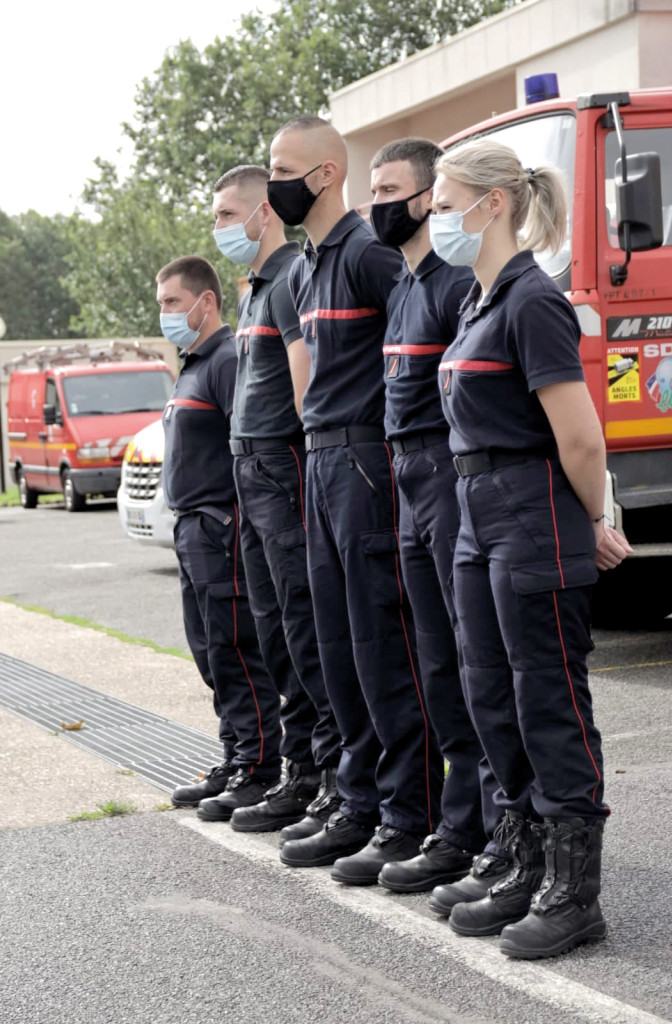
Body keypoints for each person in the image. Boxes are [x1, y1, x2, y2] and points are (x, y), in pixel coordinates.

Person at [430, 139, 631, 958]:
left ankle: (574, 893)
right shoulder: (477, 303)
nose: (435, 218)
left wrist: (594, 519)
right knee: (489, 693)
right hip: (476, 511)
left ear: (494, 204)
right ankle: (522, 861)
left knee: (547, 699)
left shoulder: (533, 301)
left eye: (445, 204)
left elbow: (579, 437)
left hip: (530, 510)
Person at [268, 116, 442, 883]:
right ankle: (359, 798)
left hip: (368, 463)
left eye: (284, 169)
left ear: (326, 173)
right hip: (321, 462)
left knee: (382, 646)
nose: (275, 183)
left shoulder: (369, 253)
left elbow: (417, 352)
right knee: (337, 648)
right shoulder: (308, 268)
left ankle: (410, 814)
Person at [367, 137, 506, 897]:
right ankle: (459, 828)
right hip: (406, 481)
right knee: (436, 665)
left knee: (473, 657)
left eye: (391, 190)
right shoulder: (404, 285)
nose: (378, 205)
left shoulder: (456, 284)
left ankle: (496, 831)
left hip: (449, 477)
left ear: (428, 198)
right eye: (374, 190)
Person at [206, 165, 341, 832]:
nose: (219, 227)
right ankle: (300, 769)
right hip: (250, 470)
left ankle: (329, 778)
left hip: (283, 468)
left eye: (228, 215)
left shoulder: (290, 278)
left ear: (265, 214)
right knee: (272, 630)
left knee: (302, 627)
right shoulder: (255, 288)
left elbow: (304, 386)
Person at [157, 256, 283, 819]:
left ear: (205, 302)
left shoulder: (227, 360)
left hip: (220, 528)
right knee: (210, 653)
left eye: (173, 303)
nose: (165, 313)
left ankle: (259, 767)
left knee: (236, 651)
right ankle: (234, 757)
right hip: (191, 528)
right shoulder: (193, 364)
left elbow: (247, 446)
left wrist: (235, 523)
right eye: (161, 304)